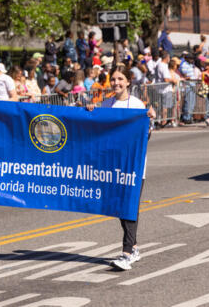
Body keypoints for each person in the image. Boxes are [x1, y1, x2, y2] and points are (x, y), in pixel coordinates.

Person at [86, 64, 156, 270]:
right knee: (120, 207)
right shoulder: (106, 105)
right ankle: (133, 247)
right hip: (113, 166)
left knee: (129, 206)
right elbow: (97, 129)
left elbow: (146, 136)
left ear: (128, 82)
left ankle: (126, 253)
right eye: (113, 80)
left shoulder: (136, 105)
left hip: (133, 166)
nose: (116, 83)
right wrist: (91, 112)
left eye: (120, 79)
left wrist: (151, 118)